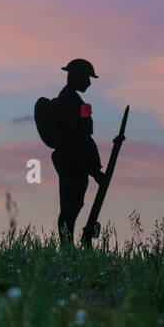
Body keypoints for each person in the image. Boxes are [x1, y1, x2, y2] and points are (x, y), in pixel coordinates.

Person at [52, 59, 105, 247]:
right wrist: (95, 170)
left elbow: (85, 139)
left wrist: (95, 169)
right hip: (72, 161)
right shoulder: (68, 103)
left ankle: (69, 247)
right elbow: (82, 139)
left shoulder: (76, 102)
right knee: (70, 207)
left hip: (76, 161)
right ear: (75, 77)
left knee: (73, 205)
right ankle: (67, 248)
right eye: (86, 78)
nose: (89, 83)